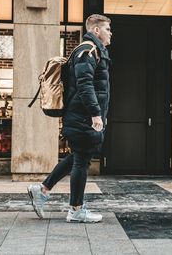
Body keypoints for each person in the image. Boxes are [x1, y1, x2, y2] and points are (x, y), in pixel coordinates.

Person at [27, 14, 112, 223]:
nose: (111, 33)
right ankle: (75, 209)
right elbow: (85, 85)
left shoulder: (91, 51)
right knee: (81, 162)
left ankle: (43, 189)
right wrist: (95, 113)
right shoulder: (87, 50)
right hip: (83, 117)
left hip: (80, 116)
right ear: (97, 31)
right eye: (108, 29)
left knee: (78, 156)